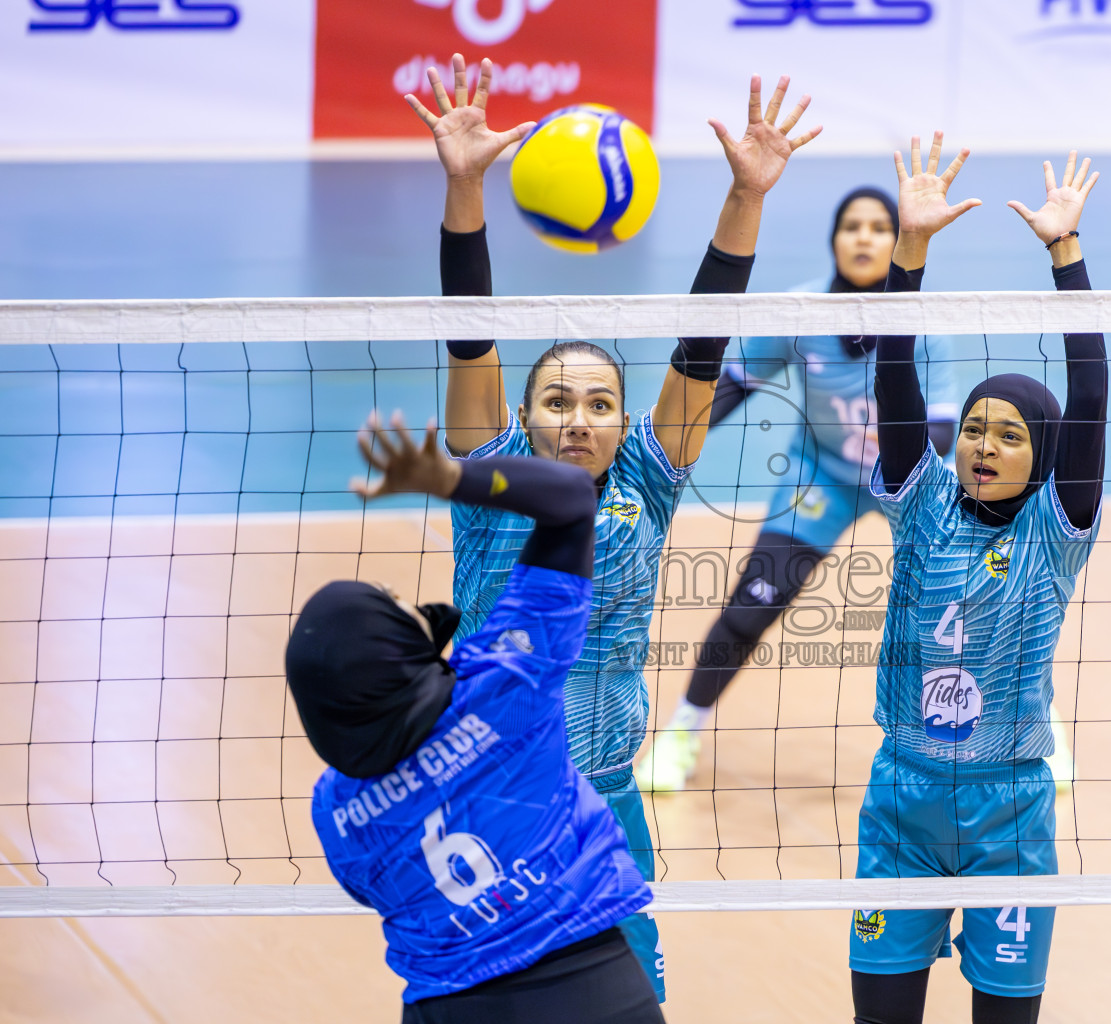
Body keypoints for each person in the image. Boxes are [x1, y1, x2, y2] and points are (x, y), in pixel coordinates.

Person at [407, 53, 820, 1001]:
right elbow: (469, 332)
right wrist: (465, 189)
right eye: (558, 401)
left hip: (606, 810)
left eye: (600, 403)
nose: (580, 419)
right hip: (493, 806)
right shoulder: (492, 474)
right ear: (526, 416)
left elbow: (702, 341)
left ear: (627, 423)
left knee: (635, 1007)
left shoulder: (647, 471)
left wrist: (744, 200)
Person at [287, 411, 663, 1024]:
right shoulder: (504, 688)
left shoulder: (336, 812)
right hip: (590, 987)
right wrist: (451, 479)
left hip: (448, 1008)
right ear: (395, 652)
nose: (406, 599)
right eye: (390, 604)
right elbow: (570, 499)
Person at [848, 136, 1106, 1024]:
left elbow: (1093, 390)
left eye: (1009, 435)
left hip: (1010, 811)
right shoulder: (921, 503)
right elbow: (894, 373)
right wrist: (908, 256)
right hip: (903, 796)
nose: (983, 446)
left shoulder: (1055, 530)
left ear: (1045, 458)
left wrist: (1063, 255)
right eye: (973, 429)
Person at [637, 185, 960, 793]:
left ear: (898, 244)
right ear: (835, 241)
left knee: (964, 606)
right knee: (753, 602)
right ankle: (681, 730)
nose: (864, 237)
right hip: (823, 476)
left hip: (908, 482)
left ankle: (1030, 726)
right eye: (851, 227)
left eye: (878, 227)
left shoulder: (924, 324)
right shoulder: (801, 312)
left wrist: (906, 468)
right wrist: (660, 446)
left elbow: (942, 430)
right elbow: (733, 386)